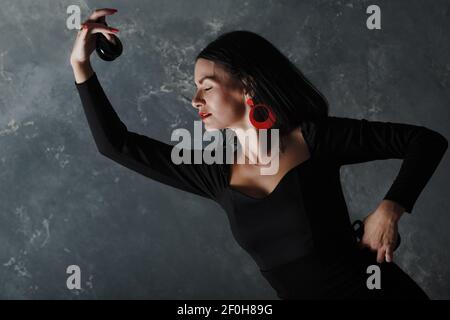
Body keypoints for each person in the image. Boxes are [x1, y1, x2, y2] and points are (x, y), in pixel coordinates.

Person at [70, 8, 448, 299]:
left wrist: (390, 208)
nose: (195, 100)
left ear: (246, 85)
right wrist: (81, 65)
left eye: (207, 87)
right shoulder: (215, 173)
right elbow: (116, 144)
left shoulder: (313, 139)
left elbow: (426, 141)